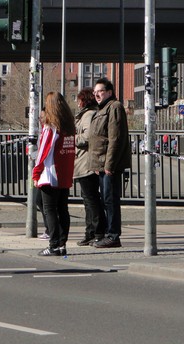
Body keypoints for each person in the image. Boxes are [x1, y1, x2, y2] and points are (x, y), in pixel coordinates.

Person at [88, 78, 131, 248]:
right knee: (106, 199)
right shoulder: (102, 109)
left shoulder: (114, 107)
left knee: (110, 199)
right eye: (95, 92)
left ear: (109, 92)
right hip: (101, 164)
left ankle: (113, 235)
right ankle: (108, 234)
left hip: (109, 165)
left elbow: (115, 139)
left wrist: (109, 165)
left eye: (100, 91)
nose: (97, 94)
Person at [33, 92, 76, 256]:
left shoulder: (51, 127)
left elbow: (43, 152)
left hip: (51, 173)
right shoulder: (69, 127)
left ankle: (53, 244)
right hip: (65, 174)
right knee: (63, 209)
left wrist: (36, 173)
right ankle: (62, 244)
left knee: (49, 209)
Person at [73, 88, 106, 246]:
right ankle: (92, 231)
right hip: (83, 162)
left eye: (79, 99)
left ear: (84, 101)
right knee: (89, 199)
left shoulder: (88, 115)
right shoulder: (87, 114)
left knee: (91, 199)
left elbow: (87, 136)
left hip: (85, 162)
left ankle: (96, 231)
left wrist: (72, 138)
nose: (77, 103)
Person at [36, 107, 49, 240]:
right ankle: (50, 229)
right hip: (44, 173)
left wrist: (36, 173)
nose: (40, 119)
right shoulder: (44, 131)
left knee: (44, 202)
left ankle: (52, 231)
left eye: (42, 116)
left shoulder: (50, 130)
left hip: (47, 174)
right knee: (40, 201)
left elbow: (44, 153)